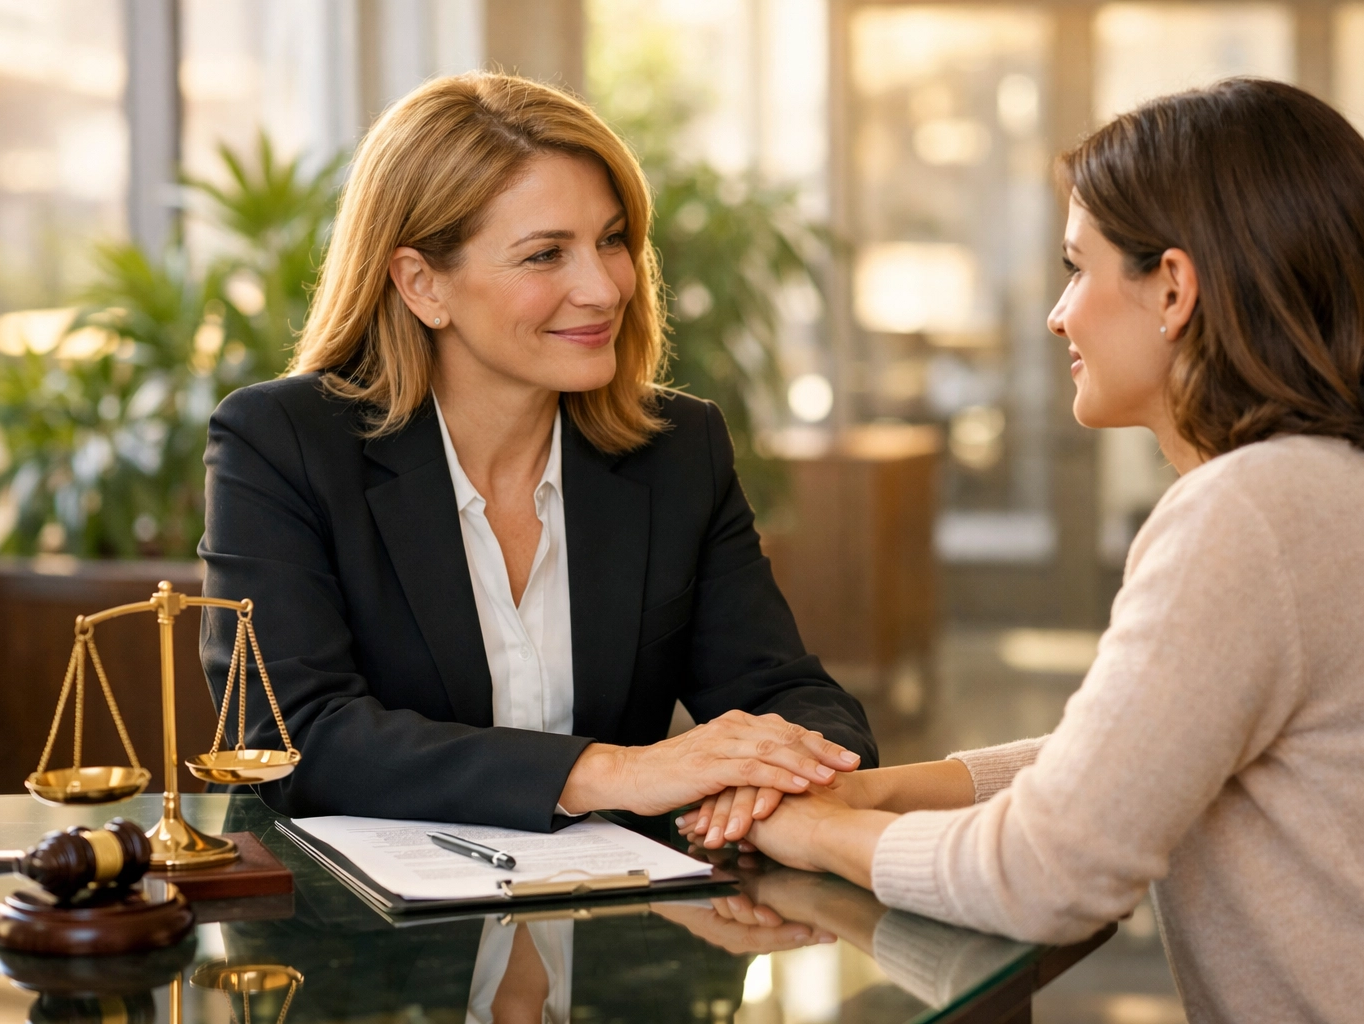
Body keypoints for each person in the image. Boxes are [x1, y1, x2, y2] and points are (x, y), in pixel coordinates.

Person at [691, 79, 1364, 1020]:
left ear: (1173, 288)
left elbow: (1043, 873)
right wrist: (890, 790)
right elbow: (1144, 748)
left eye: (1078, 268)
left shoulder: (1253, 512)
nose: (1057, 314)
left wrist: (816, 831)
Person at [198, 71, 876, 835]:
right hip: (359, 938)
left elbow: (792, 698)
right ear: (423, 284)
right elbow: (290, 736)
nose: (604, 288)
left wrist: (769, 774)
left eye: (612, 240)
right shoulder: (281, 444)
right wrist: (614, 772)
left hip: (619, 930)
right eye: (546, 254)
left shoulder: (679, 451)